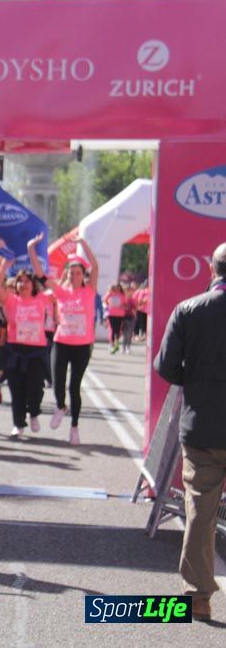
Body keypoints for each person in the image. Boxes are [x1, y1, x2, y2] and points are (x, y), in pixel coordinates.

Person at [153, 241, 226, 623]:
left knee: (199, 510)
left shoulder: (188, 309)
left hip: (203, 424)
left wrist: (194, 381)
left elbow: (166, 367)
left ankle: (197, 597)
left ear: (212, 270)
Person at [33, 236, 99, 446]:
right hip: (61, 343)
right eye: (71, 272)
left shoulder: (89, 291)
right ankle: (60, 406)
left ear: (83, 275)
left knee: (74, 387)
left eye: (78, 272)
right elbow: (40, 275)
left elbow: (95, 265)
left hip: (82, 346)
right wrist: (30, 248)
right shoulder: (60, 292)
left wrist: (83, 243)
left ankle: (74, 428)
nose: (74, 275)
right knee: (57, 381)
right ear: (67, 274)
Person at [0, 235, 51, 439]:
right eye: (20, 282)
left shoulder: (41, 299)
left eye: (27, 282)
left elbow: (42, 276)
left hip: (36, 351)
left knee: (35, 389)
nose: (23, 284)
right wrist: (5, 265)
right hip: (15, 350)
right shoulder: (12, 301)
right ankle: (18, 424)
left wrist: (31, 249)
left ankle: (34, 412)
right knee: (16, 389)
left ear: (33, 286)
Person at [103, 283, 128, 354]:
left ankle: (116, 343)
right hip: (111, 314)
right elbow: (104, 301)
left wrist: (124, 306)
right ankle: (112, 344)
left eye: (118, 288)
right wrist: (106, 306)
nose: (117, 289)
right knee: (112, 329)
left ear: (120, 288)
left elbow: (126, 305)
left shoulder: (122, 296)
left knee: (117, 330)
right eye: (115, 288)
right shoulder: (110, 294)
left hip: (120, 315)